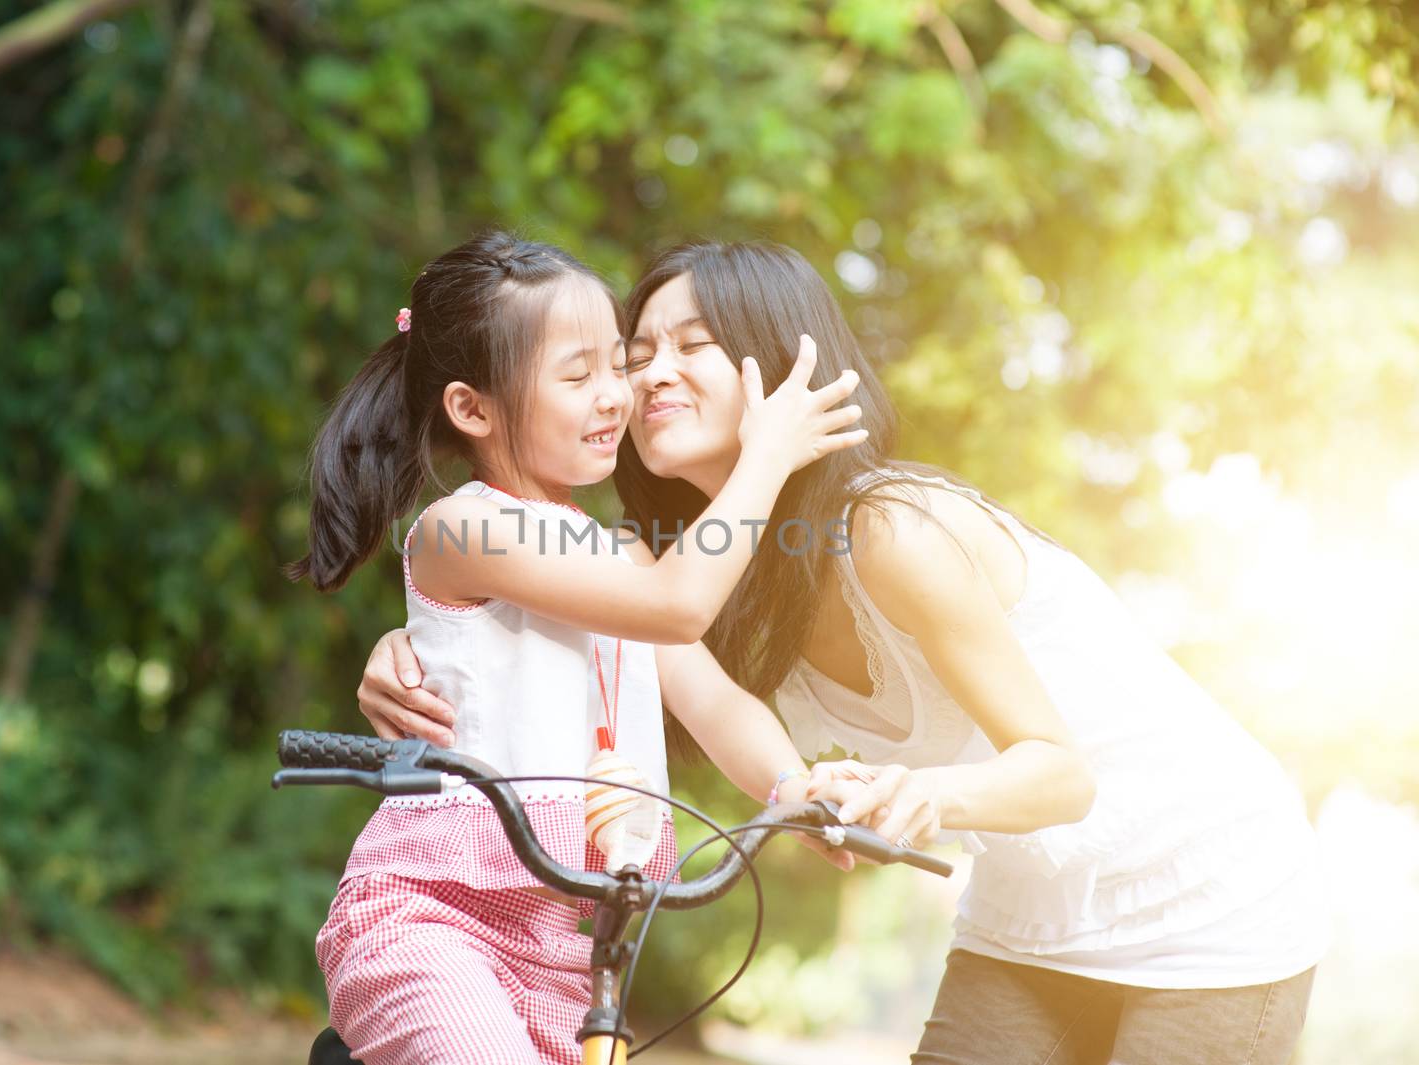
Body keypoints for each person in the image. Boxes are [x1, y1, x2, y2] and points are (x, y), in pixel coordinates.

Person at [358, 240, 1327, 1065]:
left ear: (781, 370)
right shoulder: (693, 565)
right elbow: (616, 614)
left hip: (1204, 891)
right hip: (1030, 896)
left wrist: (828, 794)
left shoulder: (892, 532)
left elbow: (1057, 773)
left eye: (684, 349)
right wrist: (422, 646)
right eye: (630, 353)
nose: (640, 378)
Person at [290, 231, 865, 1065]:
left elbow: (713, 701)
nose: (615, 396)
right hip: (434, 922)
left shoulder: (624, 557)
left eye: (614, 366)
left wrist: (795, 784)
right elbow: (676, 606)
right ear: (473, 408)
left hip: (573, 948)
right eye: (576, 374)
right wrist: (767, 455)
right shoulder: (466, 526)